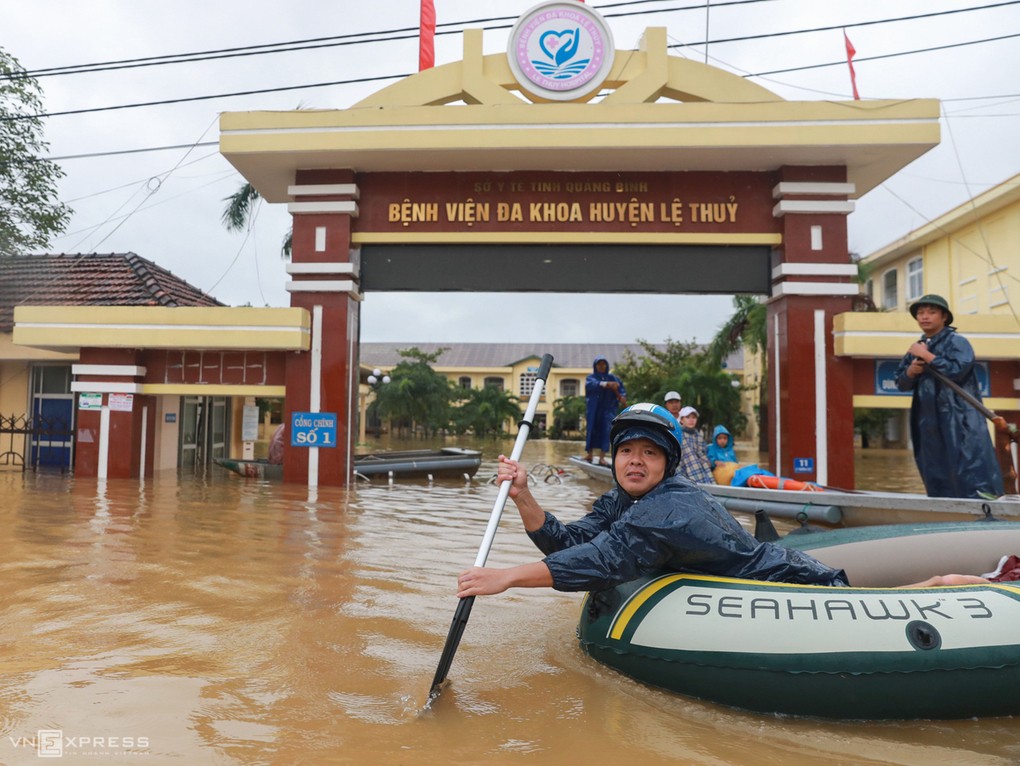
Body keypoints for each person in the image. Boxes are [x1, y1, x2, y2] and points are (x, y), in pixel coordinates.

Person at [456, 403, 988, 599]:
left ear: (667, 462)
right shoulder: (623, 501)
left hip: (792, 587)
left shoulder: (671, 506)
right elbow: (571, 541)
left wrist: (506, 577)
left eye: (649, 453)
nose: (635, 461)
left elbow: (602, 561)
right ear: (615, 460)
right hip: (764, 571)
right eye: (627, 453)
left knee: (913, 592)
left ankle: (977, 584)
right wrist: (524, 495)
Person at [894, 294, 1003, 499]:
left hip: (960, 417)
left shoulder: (957, 342)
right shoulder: (917, 348)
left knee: (969, 465)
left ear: (944, 317)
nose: (925, 316)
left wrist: (927, 356)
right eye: (920, 312)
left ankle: (984, 507)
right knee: (935, 467)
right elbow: (901, 383)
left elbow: (957, 370)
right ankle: (943, 509)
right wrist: (911, 371)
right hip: (928, 419)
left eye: (931, 312)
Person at [585, 356, 626, 464]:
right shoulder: (591, 378)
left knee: (606, 431)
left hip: (608, 410)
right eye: (599, 364)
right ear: (595, 366)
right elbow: (591, 385)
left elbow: (621, 389)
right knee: (591, 430)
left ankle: (602, 457)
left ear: (607, 366)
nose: (601, 366)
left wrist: (622, 396)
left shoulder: (613, 378)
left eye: (604, 364)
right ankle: (589, 454)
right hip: (594, 410)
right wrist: (605, 384)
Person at [676, 405, 715, 484]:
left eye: (694, 417)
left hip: (700, 467)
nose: (691, 420)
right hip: (683, 468)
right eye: (688, 417)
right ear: (681, 420)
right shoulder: (678, 434)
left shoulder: (698, 435)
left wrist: (708, 462)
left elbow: (701, 452)